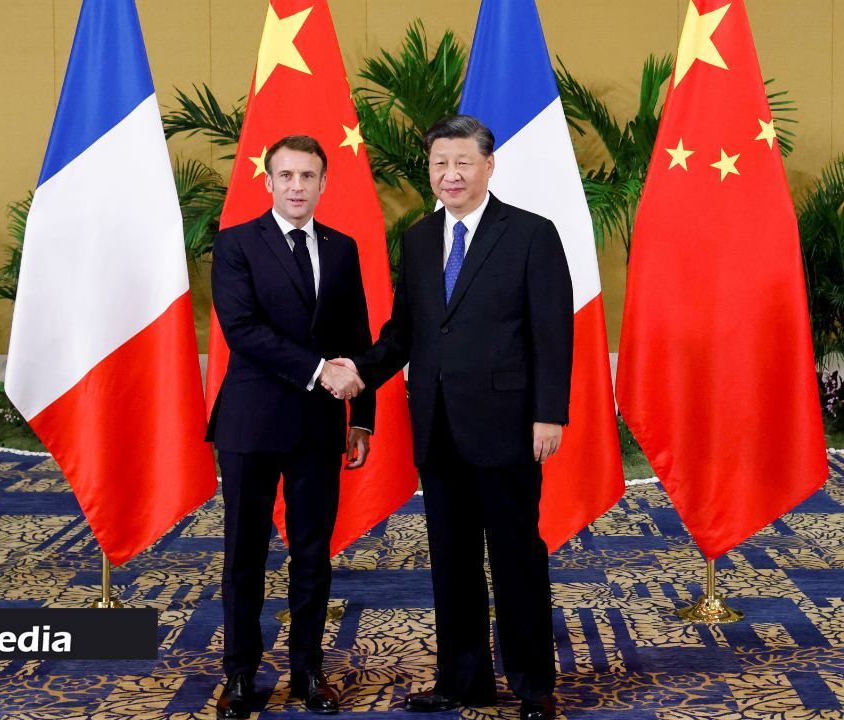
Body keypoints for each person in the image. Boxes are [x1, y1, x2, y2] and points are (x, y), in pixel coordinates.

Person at [330, 115, 572, 720]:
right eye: (440, 163)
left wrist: (549, 414)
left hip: (508, 426)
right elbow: (405, 332)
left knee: (516, 558)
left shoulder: (531, 234)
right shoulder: (418, 240)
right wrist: (358, 371)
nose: (451, 174)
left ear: (489, 165)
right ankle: (463, 679)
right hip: (437, 426)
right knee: (452, 561)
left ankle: (533, 686)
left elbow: (552, 331)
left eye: (463, 162)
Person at [206, 134, 373, 717]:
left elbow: (356, 335)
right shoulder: (236, 244)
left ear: (324, 183)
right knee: (244, 555)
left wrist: (362, 418)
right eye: (286, 175)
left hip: (319, 426)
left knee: (312, 553)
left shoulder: (342, 247)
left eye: (308, 176)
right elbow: (242, 331)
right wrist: (320, 370)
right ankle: (239, 674)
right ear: (268, 181)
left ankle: (308, 670)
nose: (297, 186)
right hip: (251, 423)